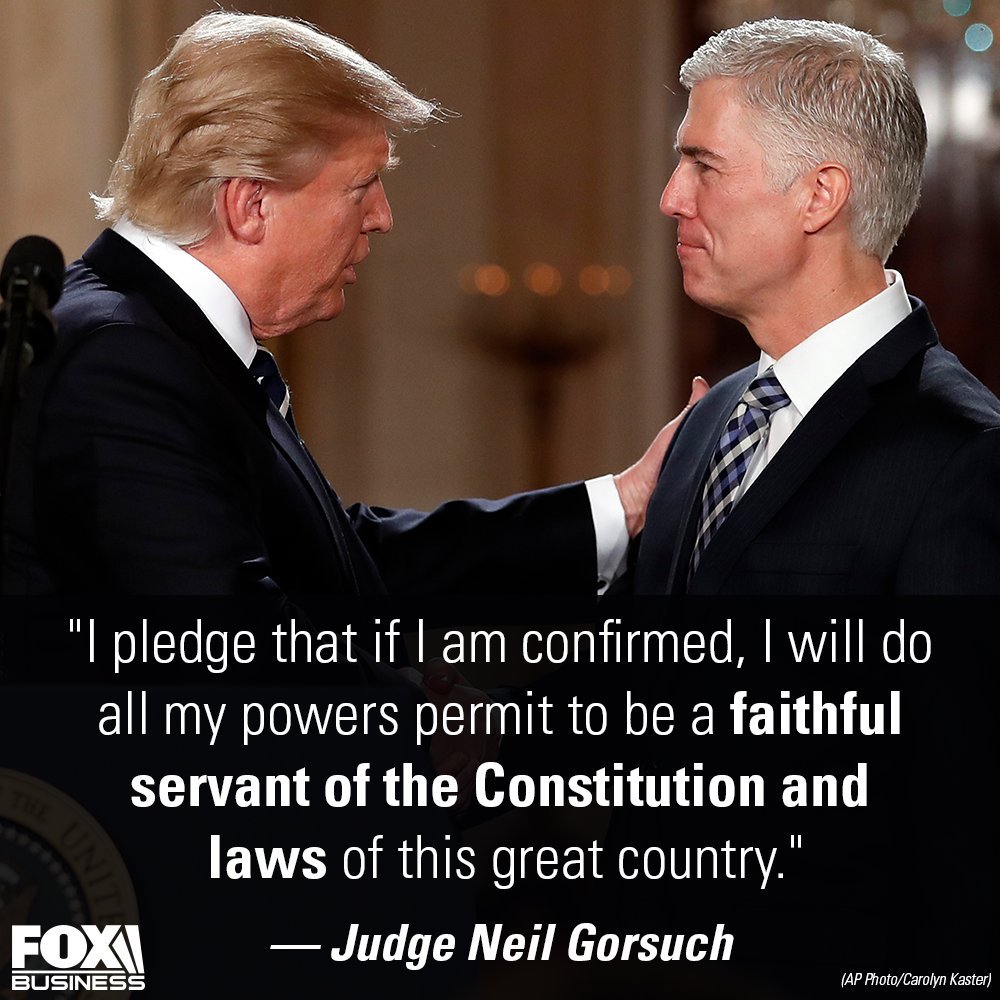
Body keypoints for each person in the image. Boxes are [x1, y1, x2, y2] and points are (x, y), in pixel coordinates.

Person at [0, 11, 703, 597]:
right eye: (361, 186)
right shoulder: (124, 363)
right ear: (251, 204)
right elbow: (225, 668)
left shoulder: (160, 338)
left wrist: (625, 503)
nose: (383, 218)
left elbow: (339, 567)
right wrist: (427, 712)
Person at [632, 17, 1000, 595]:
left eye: (705, 165)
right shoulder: (708, 419)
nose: (671, 198)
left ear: (820, 196)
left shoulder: (966, 452)